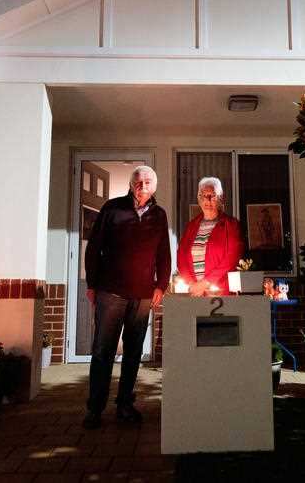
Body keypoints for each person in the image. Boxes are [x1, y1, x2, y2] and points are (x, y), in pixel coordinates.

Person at [83, 165, 170, 429]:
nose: (142, 184)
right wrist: (92, 283)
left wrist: (161, 285)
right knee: (102, 351)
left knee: (133, 353)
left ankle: (124, 405)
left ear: (154, 186)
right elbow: (94, 247)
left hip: (143, 295)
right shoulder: (112, 208)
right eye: (138, 180)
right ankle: (95, 409)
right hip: (111, 291)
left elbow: (164, 253)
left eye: (147, 180)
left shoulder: (159, 214)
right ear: (132, 184)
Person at [177, 177, 244, 296]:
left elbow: (231, 258)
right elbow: (181, 256)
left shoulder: (231, 225)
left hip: (220, 293)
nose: (207, 200)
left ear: (220, 198)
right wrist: (192, 284)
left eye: (212, 196)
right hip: (194, 293)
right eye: (203, 196)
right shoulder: (191, 226)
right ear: (199, 199)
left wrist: (205, 283)